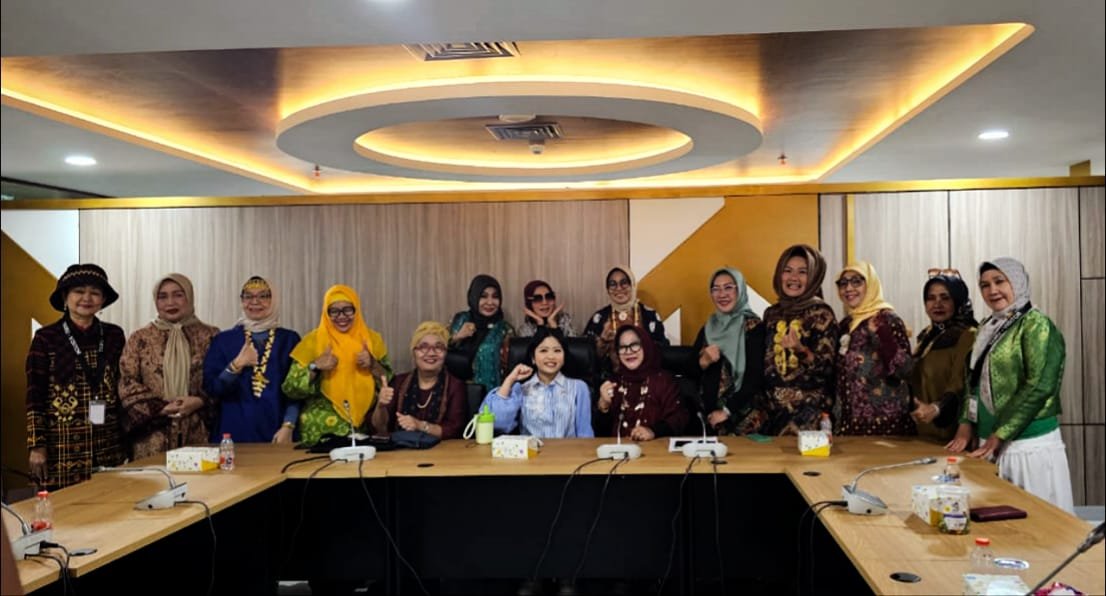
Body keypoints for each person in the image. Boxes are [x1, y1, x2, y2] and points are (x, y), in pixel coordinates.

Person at [947, 258, 1073, 512]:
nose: (992, 290)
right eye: (984, 285)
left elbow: (1040, 385)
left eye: (999, 281)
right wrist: (965, 423)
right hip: (989, 442)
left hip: (1026, 445)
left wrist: (1001, 434)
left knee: (1037, 520)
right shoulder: (988, 327)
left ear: (1017, 282)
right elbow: (972, 379)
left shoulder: (1036, 324)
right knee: (998, 523)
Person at [26, 264, 126, 490]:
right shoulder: (45, 338)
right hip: (61, 449)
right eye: (79, 291)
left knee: (111, 503)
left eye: (95, 292)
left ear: (103, 300)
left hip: (108, 445)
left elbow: (122, 386)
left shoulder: (114, 335)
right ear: (65, 296)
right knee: (61, 509)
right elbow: (34, 395)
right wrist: (37, 445)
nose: (86, 298)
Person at [118, 274, 219, 460]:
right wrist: (162, 408)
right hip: (152, 437)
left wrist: (200, 401)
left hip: (199, 432)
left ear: (189, 297)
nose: (170, 302)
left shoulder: (211, 336)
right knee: (154, 478)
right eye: (162, 297)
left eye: (178, 295)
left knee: (199, 478)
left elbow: (221, 381)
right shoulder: (140, 338)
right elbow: (127, 382)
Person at [282, 285, 391, 447]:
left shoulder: (372, 340)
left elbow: (388, 381)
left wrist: (372, 364)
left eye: (348, 310)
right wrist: (315, 366)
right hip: (320, 433)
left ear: (356, 310)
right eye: (334, 311)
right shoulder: (312, 342)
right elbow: (290, 389)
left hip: (363, 431)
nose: (341, 316)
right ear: (326, 313)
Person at [203, 276, 302, 443]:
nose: (255, 302)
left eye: (263, 296)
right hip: (233, 432)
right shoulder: (224, 340)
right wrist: (235, 365)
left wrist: (289, 425)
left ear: (274, 300)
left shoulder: (289, 340)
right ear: (241, 301)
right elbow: (212, 388)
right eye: (248, 296)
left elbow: (296, 390)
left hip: (278, 431)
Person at [760, 245, 838, 435]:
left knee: (807, 457)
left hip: (809, 416)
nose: (793, 278)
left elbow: (827, 370)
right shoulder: (771, 313)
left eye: (802, 272)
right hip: (772, 415)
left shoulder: (822, 313)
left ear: (814, 277)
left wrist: (801, 350)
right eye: (787, 270)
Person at [834, 262, 916, 436]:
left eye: (856, 281)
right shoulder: (846, 325)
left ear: (871, 284)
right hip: (849, 425)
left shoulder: (886, 319)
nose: (848, 288)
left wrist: (882, 336)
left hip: (886, 426)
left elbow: (906, 370)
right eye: (843, 283)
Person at [690, 268, 766, 435]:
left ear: (740, 290)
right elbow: (691, 371)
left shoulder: (753, 326)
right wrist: (703, 361)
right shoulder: (708, 327)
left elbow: (755, 376)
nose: (722, 294)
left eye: (729, 287)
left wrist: (727, 410)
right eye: (716, 289)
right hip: (710, 420)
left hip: (745, 418)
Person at [480, 327, 593, 439]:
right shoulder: (522, 389)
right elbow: (499, 423)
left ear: (564, 357)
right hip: (531, 450)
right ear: (533, 358)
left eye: (557, 350)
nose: (551, 356)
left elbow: (585, 433)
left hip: (568, 450)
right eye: (543, 350)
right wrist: (509, 380)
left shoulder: (579, 388)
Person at [908, 271, 978, 443]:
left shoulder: (968, 334)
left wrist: (937, 408)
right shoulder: (926, 335)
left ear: (958, 301)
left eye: (945, 298)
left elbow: (960, 383)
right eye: (931, 298)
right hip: (921, 430)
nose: (937, 304)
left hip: (952, 433)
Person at [372, 321, 466, 439]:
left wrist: (420, 425)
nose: (431, 353)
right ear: (414, 352)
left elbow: (454, 430)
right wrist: (380, 406)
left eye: (438, 347)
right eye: (423, 347)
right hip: (402, 448)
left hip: (441, 449)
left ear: (445, 353)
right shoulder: (398, 382)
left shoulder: (455, 386)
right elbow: (379, 427)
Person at [595, 325, 687, 440]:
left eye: (634, 345)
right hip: (619, 449)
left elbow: (678, 420)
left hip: (656, 449)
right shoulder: (614, 383)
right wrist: (604, 407)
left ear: (646, 346)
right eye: (622, 347)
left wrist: (653, 431)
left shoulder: (664, 381)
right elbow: (600, 435)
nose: (629, 351)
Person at [584, 266, 668, 369]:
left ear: (632, 285)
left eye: (624, 283)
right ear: (608, 290)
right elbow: (586, 357)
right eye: (613, 284)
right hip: (609, 377)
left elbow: (663, 351)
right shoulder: (599, 318)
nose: (619, 288)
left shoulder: (649, 315)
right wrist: (603, 341)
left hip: (645, 374)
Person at [449, 274, 514, 390]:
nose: (490, 302)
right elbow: (438, 351)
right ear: (474, 297)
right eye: (483, 296)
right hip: (458, 392)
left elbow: (512, 368)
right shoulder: (460, 320)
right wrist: (457, 337)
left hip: (493, 393)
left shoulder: (505, 329)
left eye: (495, 296)